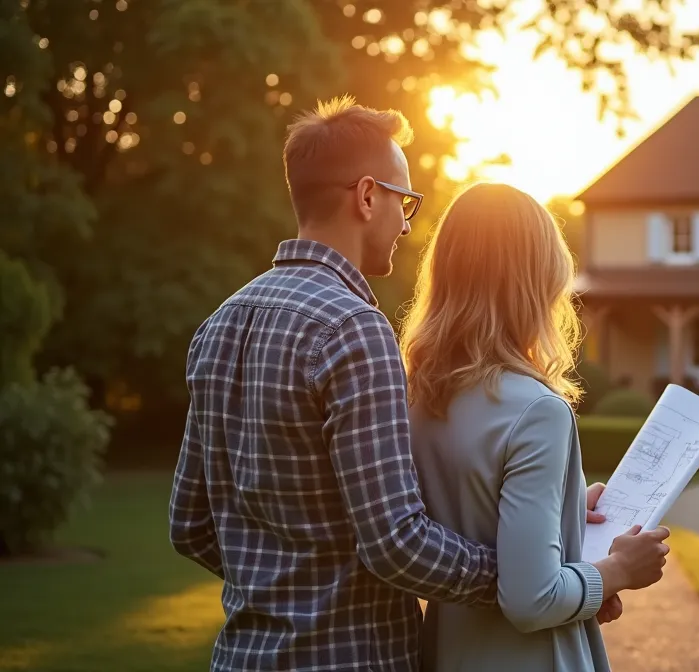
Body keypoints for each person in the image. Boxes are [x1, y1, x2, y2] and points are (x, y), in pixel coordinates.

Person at [167, 96, 668, 672]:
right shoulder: (352, 330)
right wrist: (552, 582)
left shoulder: (220, 324)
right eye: (404, 199)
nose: (408, 220)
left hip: (242, 655)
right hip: (348, 658)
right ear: (366, 195)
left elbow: (192, 525)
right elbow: (396, 543)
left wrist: (278, 588)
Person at [399, 182, 671, 672]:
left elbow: (472, 522)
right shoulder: (536, 410)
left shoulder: (416, 395)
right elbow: (533, 599)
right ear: (533, 285)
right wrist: (618, 571)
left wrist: (566, 508)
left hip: (447, 653)